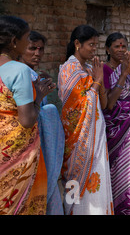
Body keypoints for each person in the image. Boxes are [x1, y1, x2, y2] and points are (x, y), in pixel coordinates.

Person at [0, 16, 54, 215]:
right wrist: (39, 96)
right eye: (26, 38)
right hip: (17, 155)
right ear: (14, 42)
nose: (28, 42)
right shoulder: (19, 70)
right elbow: (27, 120)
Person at [58, 24, 114, 215]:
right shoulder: (69, 70)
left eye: (95, 45)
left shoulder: (91, 69)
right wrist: (97, 81)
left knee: (97, 177)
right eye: (91, 45)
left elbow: (104, 104)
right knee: (75, 182)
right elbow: (78, 106)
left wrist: (99, 81)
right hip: (78, 139)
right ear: (77, 44)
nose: (94, 49)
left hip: (96, 135)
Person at [103, 34, 130, 215]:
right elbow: (110, 103)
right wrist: (122, 75)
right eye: (117, 46)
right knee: (116, 172)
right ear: (108, 49)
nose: (121, 50)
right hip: (114, 129)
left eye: (124, 46)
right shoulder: (104, 70)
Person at [20, 30, 65, 215]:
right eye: (32, 48)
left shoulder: (34, 76)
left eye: (41, 49)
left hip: (42, 145)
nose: (37, 53)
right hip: (26, 146)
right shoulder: (20, 76)